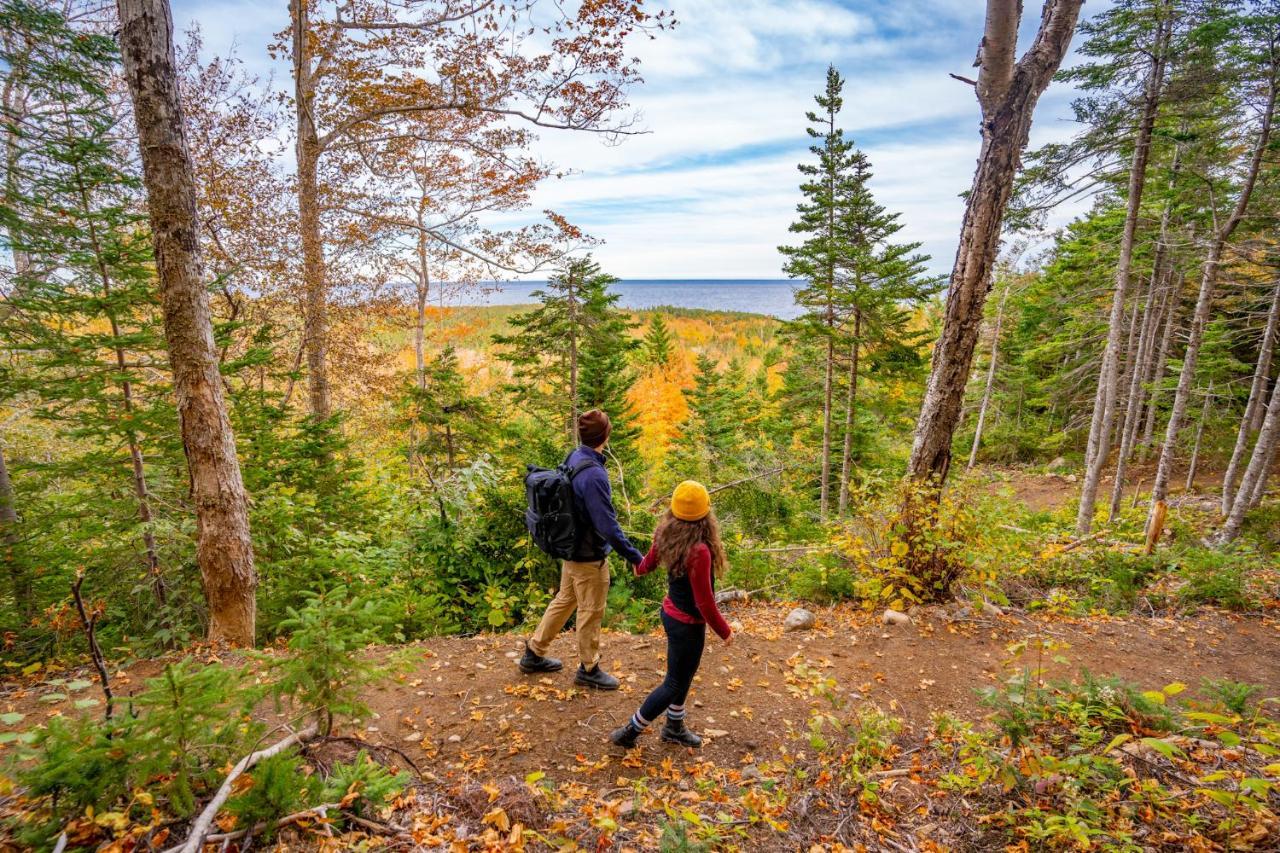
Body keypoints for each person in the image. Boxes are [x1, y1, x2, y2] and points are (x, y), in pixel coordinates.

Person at [518, 409, 645, 690]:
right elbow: (607, 525)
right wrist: (635, 557)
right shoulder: (595, 475)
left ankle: (534, 653)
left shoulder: (575, 456)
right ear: (606, 436)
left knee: (565, 600)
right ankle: (589, 668)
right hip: (588, 556)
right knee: (590, 611)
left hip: (570, 550)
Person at [610, 480, 731, 749]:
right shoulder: (699, 550)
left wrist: (639, 568)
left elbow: (648, 563)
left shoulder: (666, 531)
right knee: (675, 682)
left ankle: (674, 726)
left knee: (683, 674)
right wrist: (725, 630)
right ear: (706, 514)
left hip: (672, 616)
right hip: (687, 625)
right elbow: (704, 601)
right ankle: (629, 731)